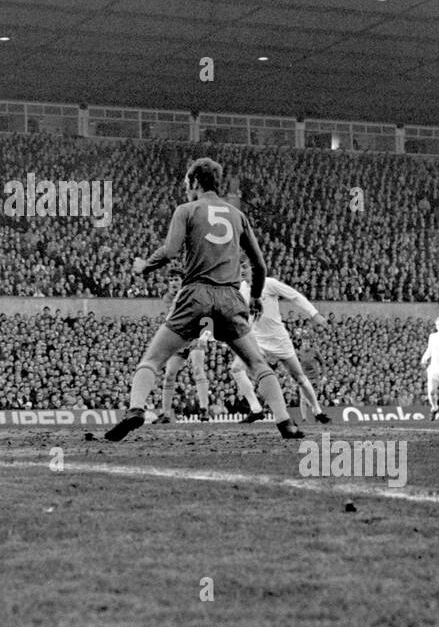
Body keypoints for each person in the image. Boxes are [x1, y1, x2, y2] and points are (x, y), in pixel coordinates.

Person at [106, 157, 303, 442]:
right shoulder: (237, 215)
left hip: (195, 294)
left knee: (152, 359)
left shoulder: (186, 210)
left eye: (187, 184)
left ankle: (136, 409)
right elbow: (260, 266)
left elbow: (171, 251)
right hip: (231, 297)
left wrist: (144, 266)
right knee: (257, 363)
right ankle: (285, 422)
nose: (185, 189)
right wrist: (257, 297)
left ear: (196, 182)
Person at [231, 271, 332, 424]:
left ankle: (317, 411)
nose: (242, 271)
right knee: (236, 368)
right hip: (257, 339)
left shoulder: (269, 283)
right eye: (239, 267)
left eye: (244, 266)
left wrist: (314, 314)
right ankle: (256, 409)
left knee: (299, 377)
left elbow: (294, 295)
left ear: (254, 267)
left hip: (279, 339)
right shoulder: (241, 289)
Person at [156, 275, 215, 423]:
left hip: (195, 335)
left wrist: (206, 333)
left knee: (197, 369)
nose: (173, 283)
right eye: (170, 280)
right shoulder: (168, 297)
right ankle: (166, 413)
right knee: (169, 374)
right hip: (179, 338)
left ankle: (204, 409)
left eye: (176, 279)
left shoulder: (194, 293)